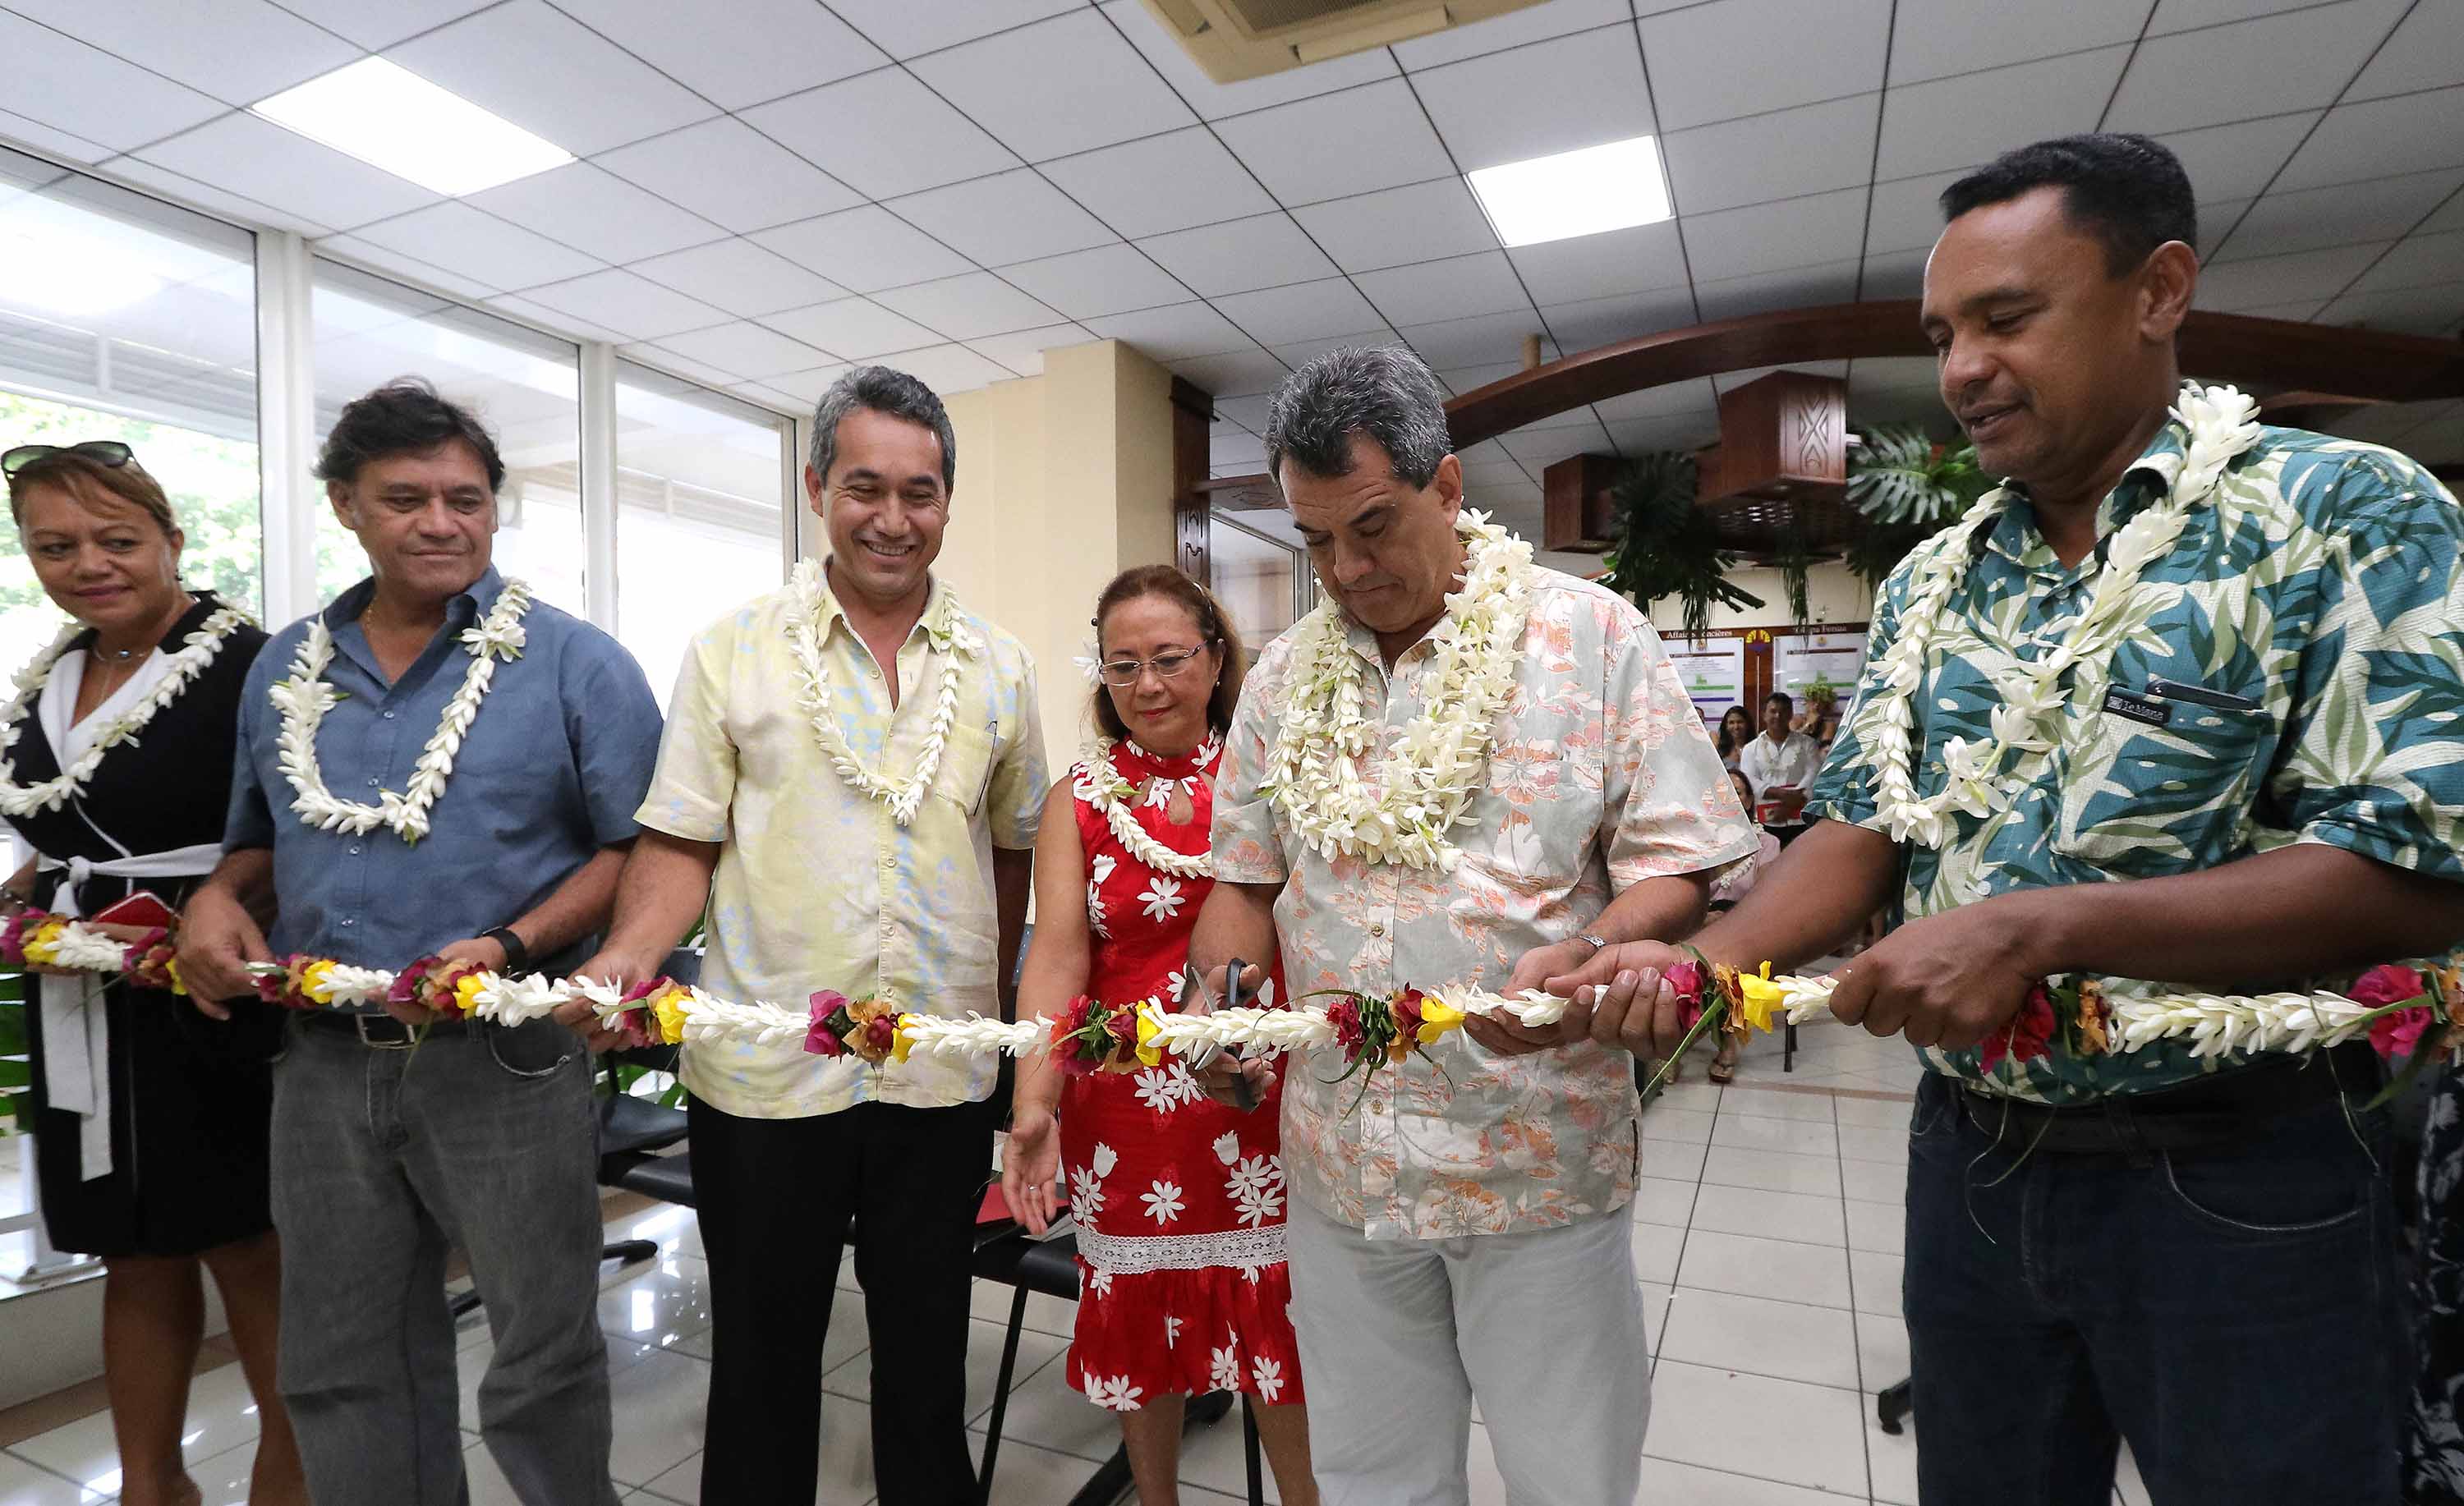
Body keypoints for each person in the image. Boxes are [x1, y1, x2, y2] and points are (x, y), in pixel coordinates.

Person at [1545, 133, 2457, 1506]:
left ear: (2159, 289)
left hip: (2245, 1169)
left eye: (2005, 316)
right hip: (1970, 1156)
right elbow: (1856, 828)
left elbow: (2420, 870)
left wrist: (2040, 925)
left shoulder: (2343, 514)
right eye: (1943, 330)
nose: (1962, 363)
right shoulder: (1934, 580)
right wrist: (1711, 961)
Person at [1188, 346, 1758, 1504]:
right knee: (1371, 1476)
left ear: (1448, 488)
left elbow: (1684, 860)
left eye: (1374, 525)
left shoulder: (1589, 635)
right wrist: (1229, 1000)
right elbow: (1242, 883)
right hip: (1343, 1159)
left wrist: (1600, 947)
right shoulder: (1285, 676)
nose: (1347, 568)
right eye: (1316, 542)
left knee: (1568, 1472)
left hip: (1534, 1154)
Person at [561, 365, 1045, 1506]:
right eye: (866, 486)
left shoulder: (1002, 665)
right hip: (766, 1075)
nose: (893, 517)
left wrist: (1002, 1023)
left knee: (928, 1359)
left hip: (934, 1073)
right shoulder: (734, 649)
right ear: (818, 483)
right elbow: (679, 842)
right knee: (764, 1362)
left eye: (920, 492)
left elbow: (1015, 845)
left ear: (947, 501)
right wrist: (628, 957)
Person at [177, 381, 663, 1506]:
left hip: (503, 1060)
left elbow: (634, 849)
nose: (440, 522)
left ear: (496, 508)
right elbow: (258, 842)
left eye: (467, 498)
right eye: (405, 499)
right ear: (346, 504)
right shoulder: (286, 668)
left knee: (541, 1353)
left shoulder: (573, 663)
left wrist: (513, 940)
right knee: (341, 1358)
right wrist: (215, 898)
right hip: (322, 1061)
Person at [0, 441, 301, 1506]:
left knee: (245, 1242)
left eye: (116, 539)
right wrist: (20, 897)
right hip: (78, 992)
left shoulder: (253, 663)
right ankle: (150, 1486)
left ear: (173, 539)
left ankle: (291, 1485)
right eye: (54, 544)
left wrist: (230, 891)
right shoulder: (56, 672)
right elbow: (64, 828)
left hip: (206, 984)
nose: (88, 562)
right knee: (130, 1248)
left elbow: (288, 825)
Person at [1001, 567, 1317, 1506]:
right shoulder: (1080, 798)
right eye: (1123, 664)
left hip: (1260, 1095)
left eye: (1172, 659)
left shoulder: (1271, 779)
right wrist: (1032, 1104)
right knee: (1144, 1322)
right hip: (1129, 1114)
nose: (1149, 685)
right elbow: (1057, 957)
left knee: (1279, 1322)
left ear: (1217, 659)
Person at [1738, 689, 1819, 841]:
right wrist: (1781, 794)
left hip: (1801, 819)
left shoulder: (1807, 744)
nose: (1778, 716)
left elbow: (1813, 773)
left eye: (1784, 711)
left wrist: (1794, 801)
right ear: (1764, 715)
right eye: (1773, 711)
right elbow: (1749, 780)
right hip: (1765, 821)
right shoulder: (1751, 748)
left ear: (1791, 714)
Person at [1714, 704, 1754, 771]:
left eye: (1740, 722)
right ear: (1726, 726)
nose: (1736, 727)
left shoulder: (1756, 748)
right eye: (1731, 723)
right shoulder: (1719, 751)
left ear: (1748, 724)